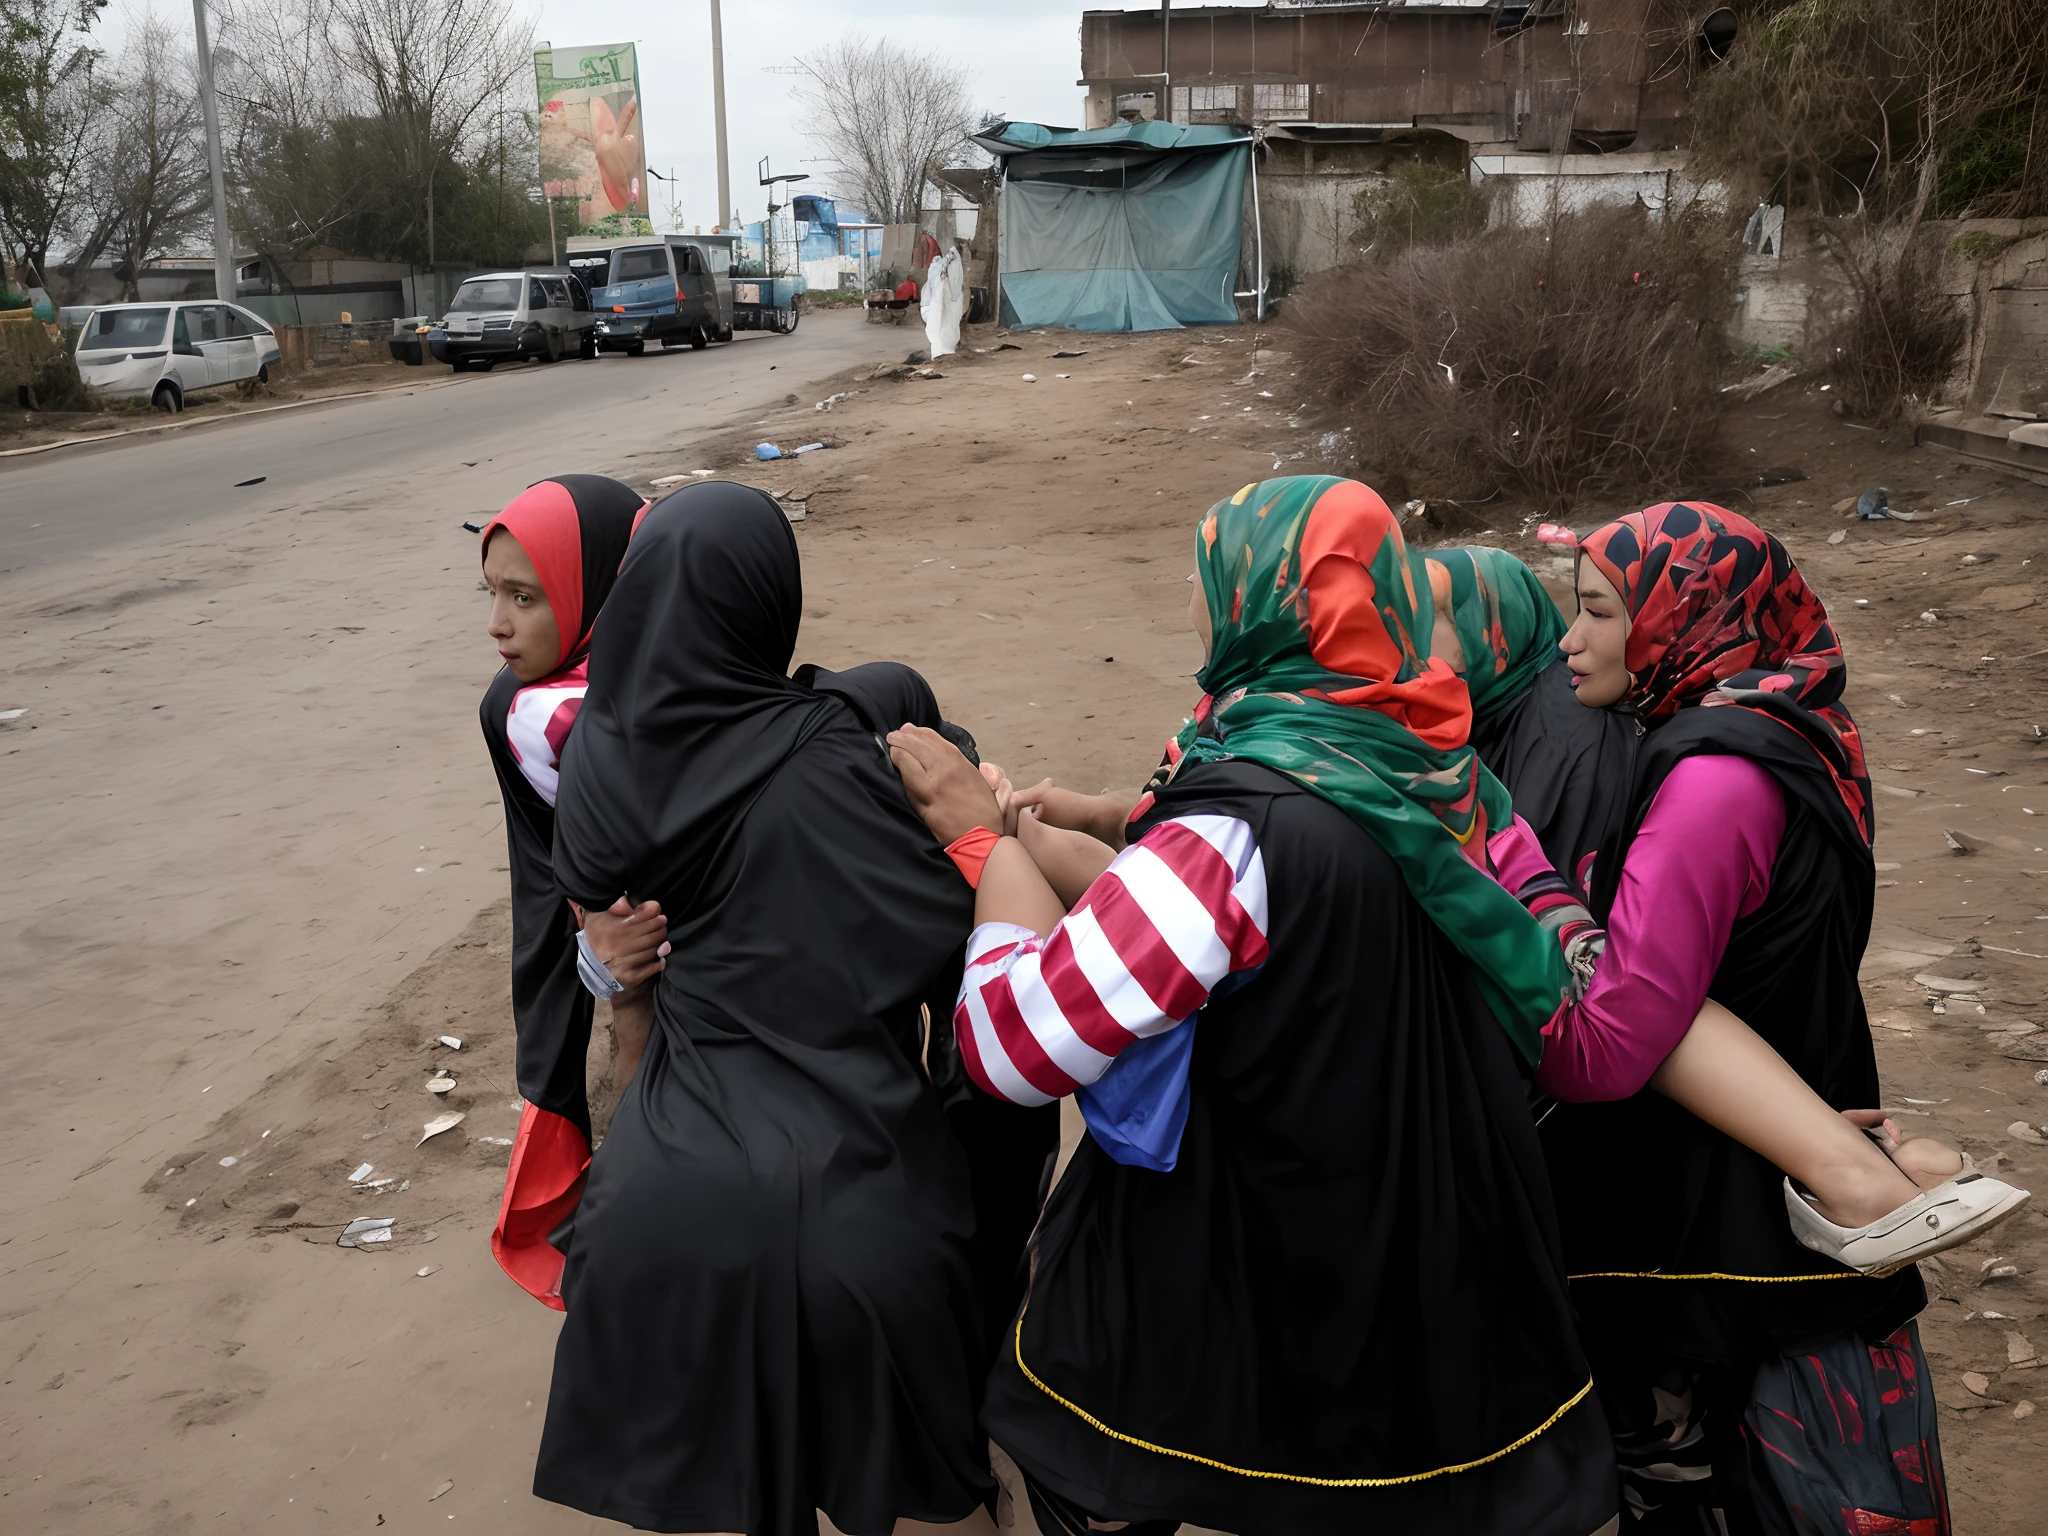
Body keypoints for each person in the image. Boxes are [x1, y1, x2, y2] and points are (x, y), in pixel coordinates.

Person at [888, 475, 1618, 1536]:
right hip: (1428, 1231)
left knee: (1113, 1455)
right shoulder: (1429, 768)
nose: (1193, 597)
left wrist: (987, 853)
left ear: (1262, 605)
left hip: (1266, 1248)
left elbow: (1013, 1048)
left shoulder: (1229, 832)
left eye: (1204, 574)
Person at [1511, 502, 2027, 1532]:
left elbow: (1611, 1046)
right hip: (1788, 1128)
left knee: (1686, 1476)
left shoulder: (1711, 779)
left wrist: (1519, 886)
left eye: (1601, 612)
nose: (1571, 640)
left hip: (1694, 1207)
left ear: (1683, 619)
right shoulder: (1798, 733)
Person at [533, 480, 1008, 1536]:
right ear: (765, 601)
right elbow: (974, 956)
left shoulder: (599, 767)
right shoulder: (848, 758)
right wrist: (986, 828)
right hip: (860, 1202)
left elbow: (624, 1010)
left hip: (649, 1212)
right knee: (935, 1484)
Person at [477, 474, 670, 1307]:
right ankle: (632, 1248)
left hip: (659, 941)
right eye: (491, 594)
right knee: (644, 1062)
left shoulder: (658, 682)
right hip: (639, 949)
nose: (497, 625)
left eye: (524, 595)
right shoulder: (532, 714)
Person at [1424, 544, 1638, 885]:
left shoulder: (1567, 733)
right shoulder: (1473, 707)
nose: (1413, 636)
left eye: (1441, 616)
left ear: (1499, 621)